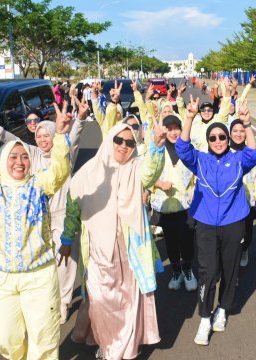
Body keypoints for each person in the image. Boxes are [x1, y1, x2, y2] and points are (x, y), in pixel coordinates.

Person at [0, 93, 71, 359]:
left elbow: (59, 171)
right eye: (13, 157)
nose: (19, 162)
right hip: (0, 277)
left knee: (44, 338)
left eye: (24, 157)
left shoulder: (39, 184)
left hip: (39, 276)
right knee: (5, 338)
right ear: (2, 160)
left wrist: (61, 137)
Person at [59, 118, 168, 360]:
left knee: (128, 301)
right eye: (118, 140)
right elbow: (73, 209)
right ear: (110, 140)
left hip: (129, 248)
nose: (123, 146)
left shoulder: (136, 167)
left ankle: (117, 349)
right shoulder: (88, 172)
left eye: (129, 142)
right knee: (100, 300)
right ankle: (107, 340)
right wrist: (67, 240)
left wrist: (157, 147)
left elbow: (151, 172)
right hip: (97, 249)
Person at [0, 97, 88, 325]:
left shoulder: (65, 151)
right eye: (39, 136)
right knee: (43, 263)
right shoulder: (32, 153)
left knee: (65, 261)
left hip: (63, 216)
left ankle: (63, 302)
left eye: (46, 136)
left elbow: (76, 134)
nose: (42, 140)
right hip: (39, 219)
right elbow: (12, 141)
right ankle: (46, 299)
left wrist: (79, 117)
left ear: (54, 136)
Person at [175, 96, 256, 346]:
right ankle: (204, 317)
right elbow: (182, 149)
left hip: (233, 223)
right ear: (209, 141)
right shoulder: (200, 160)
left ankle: (223, 308)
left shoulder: (237, 160)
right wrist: (189, 118)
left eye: (222, 137)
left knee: (230, 269)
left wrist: (247, 124)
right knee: (208, 272)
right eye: (213, 138)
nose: (218, 141)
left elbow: (254, 154)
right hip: (206, 225)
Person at [150, 114, 198, 291]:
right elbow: (146, 175)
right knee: (170, 243)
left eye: (176, 128)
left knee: (187, 242)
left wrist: (195, 193)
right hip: (165, 207)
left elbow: (197, 176)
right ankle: (176, 271)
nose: (173, 132)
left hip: (186, 207)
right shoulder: (156, 150)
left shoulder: (189, 150)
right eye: (168, 129)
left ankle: (187, 270)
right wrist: (160, 184)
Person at [229, 118, 256, 269]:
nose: (238, 134)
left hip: (248, 200)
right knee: (231, 235)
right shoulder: (224, 151)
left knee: (247, 233)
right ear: (229, 134)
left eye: (242, 131)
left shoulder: (252, 152)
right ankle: (232, 258)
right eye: (235, 131)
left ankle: (244, 250)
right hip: (229, 203)